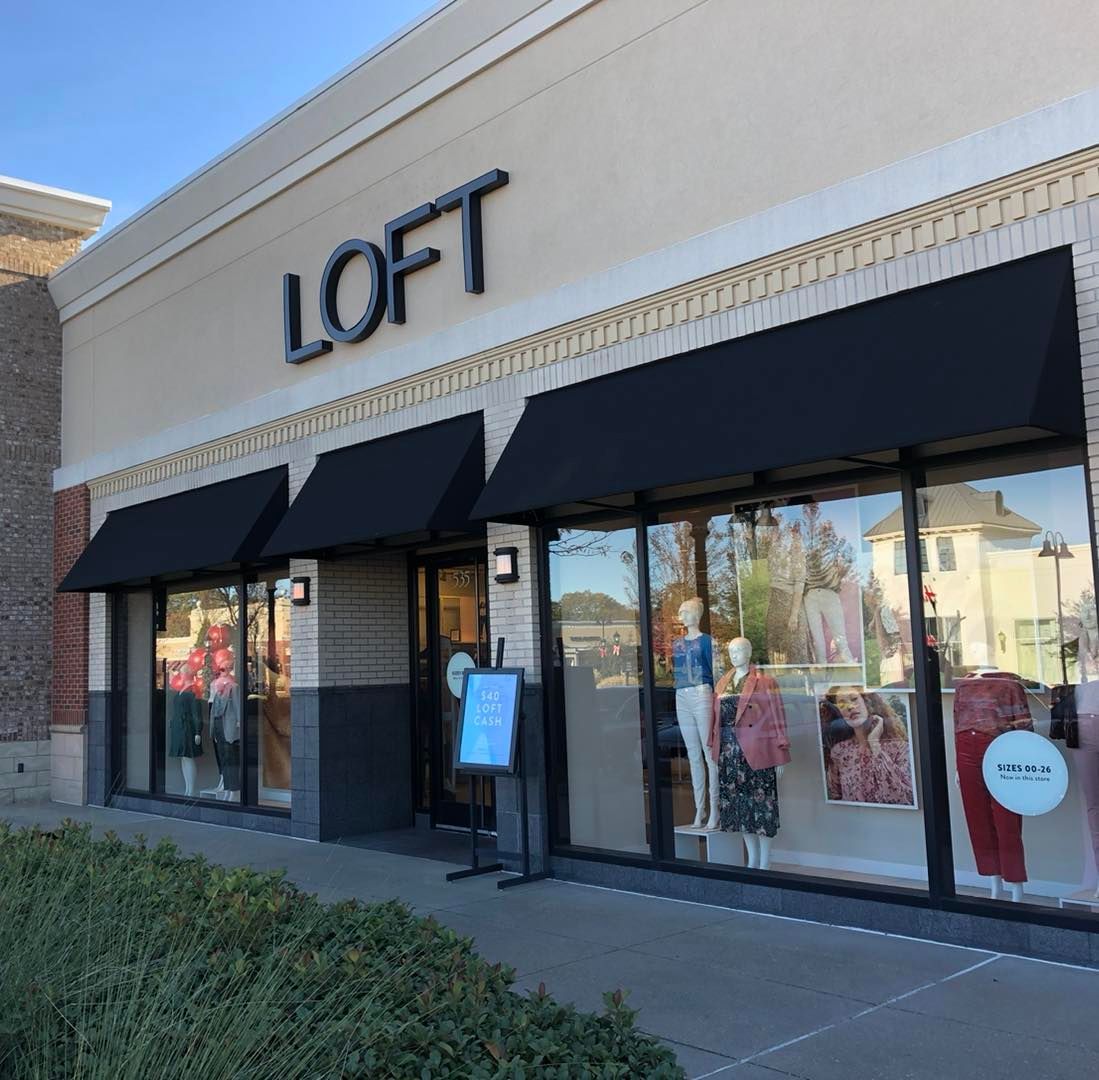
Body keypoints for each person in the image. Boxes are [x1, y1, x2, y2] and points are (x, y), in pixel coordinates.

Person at [820, 685, 913, 805]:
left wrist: (874, 743)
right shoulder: (839, 752)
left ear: (867, 702)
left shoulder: (900, 749)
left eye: (854, 699)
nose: (850, 707)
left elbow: (905, 797)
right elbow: (836, 799)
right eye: (842, 704)